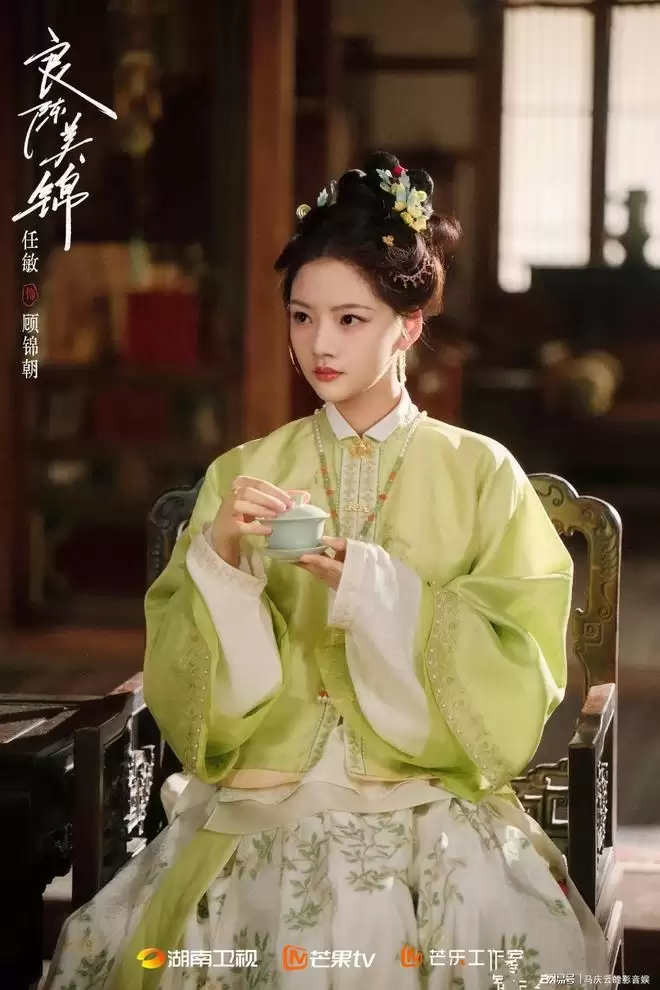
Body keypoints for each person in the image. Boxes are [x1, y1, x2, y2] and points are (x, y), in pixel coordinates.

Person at [44, 151, 609, 989]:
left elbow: (518, 667)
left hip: (424, 790)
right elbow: (190, 695)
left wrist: (378, 592)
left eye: (350, 318)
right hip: (264, 786)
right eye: (302, 317)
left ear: (407, 326)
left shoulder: (481, 472)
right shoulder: (244, 471)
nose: (319, 344)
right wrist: (222, 565)